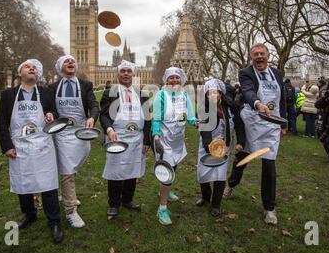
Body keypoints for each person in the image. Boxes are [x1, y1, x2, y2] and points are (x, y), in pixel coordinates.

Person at [0, 59, 64, 243]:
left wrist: (52, 115)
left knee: (48, 183)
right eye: (27, 66)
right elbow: (2, 122)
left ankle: (54, 221)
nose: (32, 68)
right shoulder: (8, 95)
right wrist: (7, 146)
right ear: (20, 73)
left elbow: (54, 113)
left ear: (38, 74)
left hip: (42, 145)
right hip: (20, 146)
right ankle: (29, 213)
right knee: (23, 180)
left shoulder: (46, 92)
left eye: (34, 67)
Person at [226, 43, 286, 225]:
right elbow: (248, 91)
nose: (259, 57)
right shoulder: (246, 73)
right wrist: (258, 104)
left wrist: (283, 123)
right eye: (255, 54)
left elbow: (281, 97)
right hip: (252, 122)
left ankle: (269, 208)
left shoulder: (277, 73)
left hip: (272, 126)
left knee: (269, 166)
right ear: (251, 58)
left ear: (268, 55)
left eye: (262, 54)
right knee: (243, 158)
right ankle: (231, 185)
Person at [49, 55, 100, 228]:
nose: (71, 62)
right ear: (59, 67)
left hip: (80, 132)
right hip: (62, 134)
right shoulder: (53, 87)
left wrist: (92, 118)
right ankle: (70, 209)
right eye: (66, 61)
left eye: (72, 61)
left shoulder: (85, 85)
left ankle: (66, 194)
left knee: (74, 165)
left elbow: (93, 105)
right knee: (67, 170)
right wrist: (50, 115)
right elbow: (52, 110)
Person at [100, 60, 151, 218]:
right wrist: (109, 129)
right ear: (118, 75)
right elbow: (104, 115)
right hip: (117, 136)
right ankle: (114, 203)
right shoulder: (110, 93)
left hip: (137, 138)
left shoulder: (141, 94)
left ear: (133, 74)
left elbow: (148, 119)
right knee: (116, 170)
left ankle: (128, 199)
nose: (126, 74)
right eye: (123, 71)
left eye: (129, 71)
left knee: (132, 169)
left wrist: (147, 141)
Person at [152, 67, 199, 225]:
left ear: (181, 80)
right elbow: (157, 119)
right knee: (167, 173)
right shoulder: (161, 95)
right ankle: (162, 208)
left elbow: (190, 117)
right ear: (166, 80)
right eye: (171, 78)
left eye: (177, 78)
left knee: (173, 168)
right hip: (164, 140)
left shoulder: (185, 96)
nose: (174, 80)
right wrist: (156, 137)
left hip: (178, 140)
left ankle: (165, 190)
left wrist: (197, 123)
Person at [197, 78, 245, 216]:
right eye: (209, 93)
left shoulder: (230, 106)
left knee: (220, 175)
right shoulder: (204, 108)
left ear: (220, 93)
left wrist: (241, 142)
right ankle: (205, 197)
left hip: (225, 147)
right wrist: (209, 146)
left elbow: (239, 125)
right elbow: (205, 130)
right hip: (208, 146)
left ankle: (216, 204)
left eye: (215, 92)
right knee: (203, 173)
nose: (212, 96)